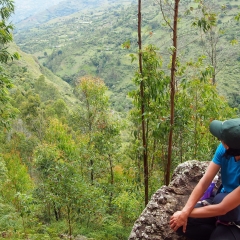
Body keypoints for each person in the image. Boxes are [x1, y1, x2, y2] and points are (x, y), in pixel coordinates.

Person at [169, 118, 240, 240]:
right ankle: (218, 228)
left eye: (221, 139)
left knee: (219, 204)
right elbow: (204, 182)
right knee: (179, 224)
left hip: (234, 212)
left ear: (228, 146)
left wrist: (185, 213)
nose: (220, 140)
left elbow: (223, 208)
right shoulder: (223, 149)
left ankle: (223, 232)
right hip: (221, 205)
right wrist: (185, 212)